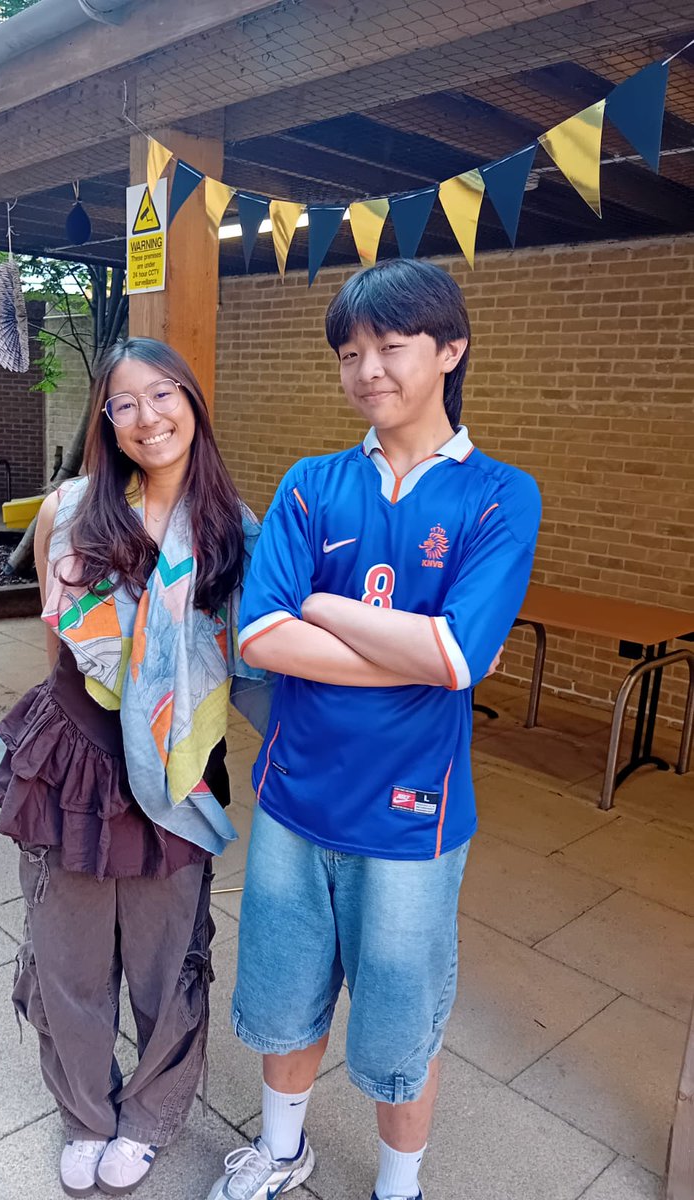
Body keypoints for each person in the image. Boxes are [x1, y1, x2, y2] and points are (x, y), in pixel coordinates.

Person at [206, 259, 542, 1200]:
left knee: (399, 1022)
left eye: (391, 347)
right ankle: (281, 1152)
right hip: (293, 795)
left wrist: (323, 601)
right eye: (351, 353)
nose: (368, 371)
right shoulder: (314, 484)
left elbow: (456, 656)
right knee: (281, 990)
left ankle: (399, 1188)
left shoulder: (500, 497)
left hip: (412, 818)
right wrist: (413, 649)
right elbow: (261, 636)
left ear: (449, 350)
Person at [0, 337, 265, 1198]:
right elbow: (62, 646)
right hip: (75, 761)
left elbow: (251, 659)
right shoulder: (68, 511)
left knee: (166, 960)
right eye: (124, 404)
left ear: (192, 400)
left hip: (180, 770)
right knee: (66, 957)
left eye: (163, 394)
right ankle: (84, 1113)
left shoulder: (235, 530)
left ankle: (148, 1117)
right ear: (104, 423)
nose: (147, 417)